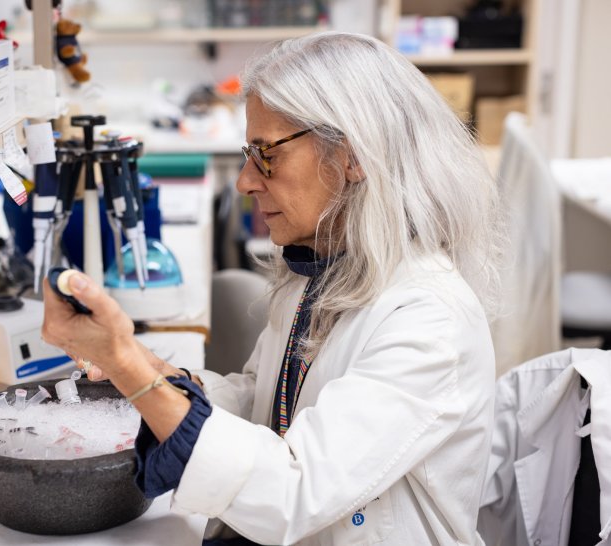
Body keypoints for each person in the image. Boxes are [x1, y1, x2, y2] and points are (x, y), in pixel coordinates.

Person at [42, 31, 503, 545]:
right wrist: (149, 370)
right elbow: (266, 403)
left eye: (267, 153)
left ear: (353, 156)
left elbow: (294, 491)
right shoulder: (325, 266)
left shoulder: (427, 318)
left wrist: (132, 370)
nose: (245, 180)